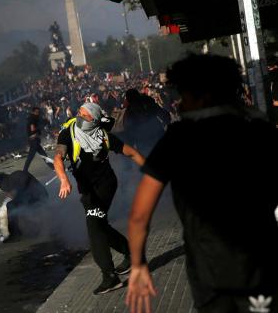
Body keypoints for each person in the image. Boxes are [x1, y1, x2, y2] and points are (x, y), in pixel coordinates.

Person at [126, 54, 278, 313]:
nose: (178, 103)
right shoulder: (259, 130)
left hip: (209, 276)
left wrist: (139, 264)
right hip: (262, 267)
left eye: (184, 96)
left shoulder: (178, 139)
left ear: (202, 97)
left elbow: (139, 216)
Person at [54, 102, 145, 295]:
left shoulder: (102, 136)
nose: (78, 116)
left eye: (83, 115)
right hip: (87, 191)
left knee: (94, 227)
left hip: (105, 186)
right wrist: (63, 180)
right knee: (100, 225)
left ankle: (109, 277)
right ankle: (132, 254)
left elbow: (132, 152)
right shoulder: (68, 132)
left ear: (93, 119)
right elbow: (58, 158)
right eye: (78, 112)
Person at [0, 171, 49, 242]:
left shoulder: (16, 178)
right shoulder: (14, 179)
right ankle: (28, 230)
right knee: (15, 206)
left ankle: (15, 234)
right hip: (36, 197)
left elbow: (23, 193)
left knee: (11, 206)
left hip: (38, 197)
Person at [23, 107, 53, 172]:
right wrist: (41, 127)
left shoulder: (33, 118)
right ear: (33, 112)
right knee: (31, 157)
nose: (38, 113)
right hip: (33, 141)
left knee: (43, 155)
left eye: (38, 112)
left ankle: (53, 167)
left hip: (34, 140)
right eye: (36, 112)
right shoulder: (32, 118)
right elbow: (32, 129)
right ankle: (24, 171)